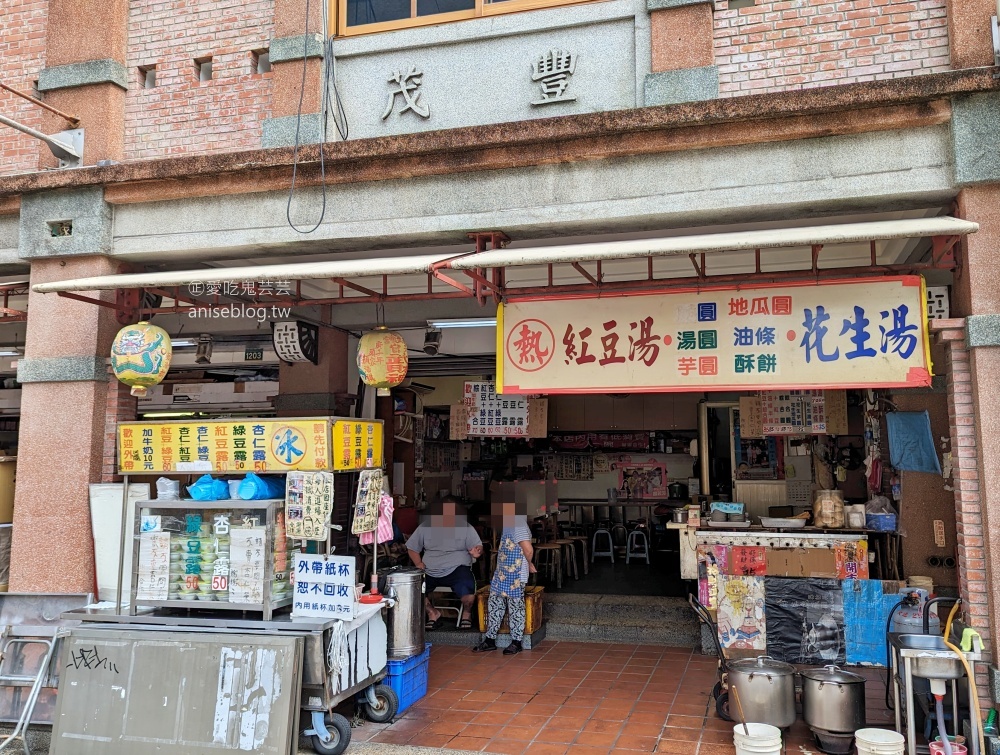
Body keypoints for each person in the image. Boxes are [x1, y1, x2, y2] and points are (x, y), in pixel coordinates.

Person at [406, 495, 483, 630]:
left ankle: (466, 614)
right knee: (414, 587)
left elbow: (478, 547)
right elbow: (412, 547)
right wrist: (418, 563)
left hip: (457, 568)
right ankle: (433, 613)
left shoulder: (465, 527)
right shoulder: (426, 527)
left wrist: (477, 551)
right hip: (429, 569)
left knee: (468, 588)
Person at [473, 500, 534, 655]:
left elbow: (527, 548)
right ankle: (490, 640)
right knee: (494, 604)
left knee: (516, 607)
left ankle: (516, 642)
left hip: (516, 573)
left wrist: (530, 563)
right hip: (502, 573)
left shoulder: (518, 522)